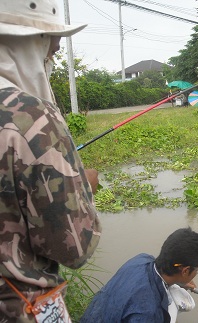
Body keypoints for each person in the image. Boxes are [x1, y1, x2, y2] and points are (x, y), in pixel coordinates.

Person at [0, 1, 102, 321]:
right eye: (52, 51)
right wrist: (82, 185)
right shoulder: (30, 116)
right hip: (19, 308)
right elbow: (74, 247)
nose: (51, 60)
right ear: (30, 43)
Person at [81, 227, 198, 323]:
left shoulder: (141, 259)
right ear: (185, 271)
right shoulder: (149, 313)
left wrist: (179, 282)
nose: (196, 274)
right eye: (197, 270)